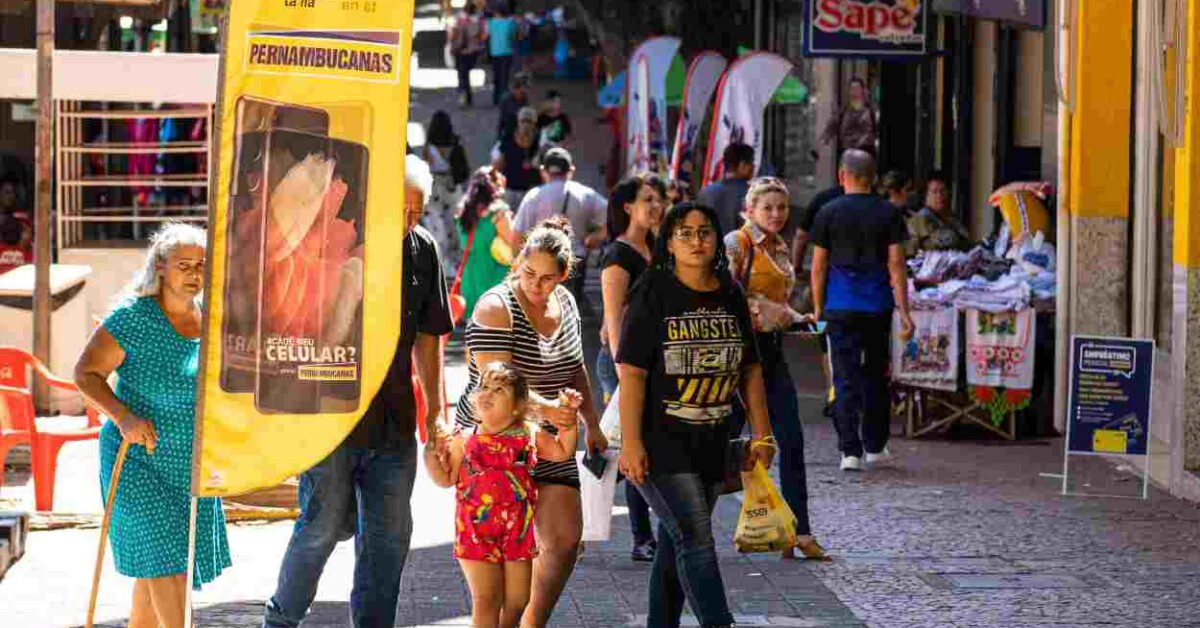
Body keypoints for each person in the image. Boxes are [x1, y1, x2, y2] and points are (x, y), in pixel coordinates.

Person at [262, 155, 453, 628]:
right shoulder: (338, 239)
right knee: (322, 527)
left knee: (390, 537)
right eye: (399, 209)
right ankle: (280, 621)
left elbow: (429, 338)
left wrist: (436, 414)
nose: (407, 221)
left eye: (417, 212)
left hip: (393, 421)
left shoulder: (422, 250)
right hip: (330, 418)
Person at [617, 201, 775, 628]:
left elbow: (750, 369)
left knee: (676, 544)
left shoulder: (730, 293)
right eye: (684, 233)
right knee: (696, 538)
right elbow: (631, 373)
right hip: (660, 441)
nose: (696, 241)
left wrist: (763, 432)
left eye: (704, 231)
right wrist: (631, 443)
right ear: (669, 242)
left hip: (713, 440)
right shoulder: (653, 292)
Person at [75, 223, 230, 628]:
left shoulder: (211, 317)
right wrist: (123, 417)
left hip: (186, 464)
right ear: (160, 266)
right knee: (166, 565)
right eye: (184, 265)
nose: (194, 274)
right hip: (136, 459)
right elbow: (85, 373)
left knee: (156, 570)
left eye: (201, 265)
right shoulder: (133, 318)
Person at [455, 218, 604, 627]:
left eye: (547, 278)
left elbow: (575, 367)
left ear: (564, 275)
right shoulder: (495, 307)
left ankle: (531, 622)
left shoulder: (567, 303)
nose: (536, 285)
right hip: (496, 438)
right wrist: (547, 410)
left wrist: (591, 422)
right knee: (501, 555)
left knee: (564, 539)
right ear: (517, 263)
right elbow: (496, 381)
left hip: (551, 434)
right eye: (529, 273)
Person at [426, 363, 580, 628]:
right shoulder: (464, 438)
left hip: (517, 531)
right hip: (476, 530)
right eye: (484, 387)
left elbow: (562, 451)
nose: (487, 393)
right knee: (487, 599)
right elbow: (445, 478)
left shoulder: (529, 433)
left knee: (518, 599)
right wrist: (430, 456)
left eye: (499, 390)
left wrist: (569, 421)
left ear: (518, 406)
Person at [725, 177, 826, 561]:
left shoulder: (780, 246)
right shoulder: (737, 243)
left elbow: (777, 302)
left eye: (782, 207)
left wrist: (796, 317)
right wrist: (761, 310)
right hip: (739, 357)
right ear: (750, 209)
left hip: (772, 351)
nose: (776, 214)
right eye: (767, 207)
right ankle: (683, 524)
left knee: (792, 440)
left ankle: (800, 532)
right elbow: (722, 293)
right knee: (720, 442)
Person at [809, 150, 914, 472]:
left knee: (844, 377)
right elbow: (897, 264)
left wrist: (817, 307)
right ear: (873, 178)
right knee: (877, 375)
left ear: (842, 175)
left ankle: (849, 451)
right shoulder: (889, 213)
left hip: (839, 307)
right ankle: (875, 446)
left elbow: (818, 267)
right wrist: (905, 311)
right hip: (878, 307)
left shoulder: (827, 212)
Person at [595, 174, 666, 563]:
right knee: (627, 447)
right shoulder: (618, 256)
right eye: (648, 200)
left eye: (658, 200)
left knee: (637, 446)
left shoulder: (657, 247)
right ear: (627, 207)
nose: (656, 206)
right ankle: (641, 537)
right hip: (623, 363)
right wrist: (626, 373)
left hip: (653, 362)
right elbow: (613, 322)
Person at [512, 147, 607, 306]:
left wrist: (518, 267)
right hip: (574, 262)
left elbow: (516, 236)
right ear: (570, 170)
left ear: (543, 171)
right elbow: (612, 216)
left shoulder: (534, 196)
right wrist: (595, 238)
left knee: (539, 309)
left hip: (539, 264)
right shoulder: (586, 194)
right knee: (569, 309)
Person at [457, 167, 519, 318]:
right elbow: (513, 242)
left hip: (470, 278)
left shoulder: (462, 210)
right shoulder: (498, 211)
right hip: (494, 276)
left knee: (474, 323)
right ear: (495, 185)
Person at [424, 111, 471, 275]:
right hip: (452, 187)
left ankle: (440, 263)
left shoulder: (429, 145)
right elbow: (464, 168)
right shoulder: (455, 144)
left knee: (437, 223)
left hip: (434, 187)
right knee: (453, 223)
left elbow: (426, 165)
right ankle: (456, 264)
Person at [696, 142, 755, 237]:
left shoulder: (705, 193)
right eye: (751, 162)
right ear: (743, 166)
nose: (753, 167)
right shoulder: (753, 194)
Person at [905, 172, 971, 256]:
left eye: (942, 191)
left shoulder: (951, 218)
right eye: (934, 192)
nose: (939, 195)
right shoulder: (920, 220)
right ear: (926, 195)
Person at [494, 106, 541, 210]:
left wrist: (535, 164)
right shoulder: (508, 138)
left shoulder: (540, 140)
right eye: (523, 121)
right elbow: (499, 162)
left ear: (534, 123)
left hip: (530, 189)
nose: (526, 124)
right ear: (518, 121)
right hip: (509, 187)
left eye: (529, 121)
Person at [820, 77, 878, 155]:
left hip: (866, 153)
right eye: (852, 89)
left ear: (862, 90)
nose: (854, 92)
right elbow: (829, 129)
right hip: (848, 154)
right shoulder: (842, 113)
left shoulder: (871, 112)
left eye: (857, 88)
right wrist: (822, 142)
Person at [449, 0, 488, 107]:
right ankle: (467, 96)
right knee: (465, 73)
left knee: (462, 74)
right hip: (473, 51)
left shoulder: (459, 19)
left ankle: (464, 95)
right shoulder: (480, 20)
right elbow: (484, 36)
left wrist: (452, 45)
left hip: (460, 50)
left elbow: (453, 33)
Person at [488, 6, 520, 106]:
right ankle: (503, 99)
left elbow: (488, 35)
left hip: (495, 53)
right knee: (504, 77)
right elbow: (513, 36)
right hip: (506, 52)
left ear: (497, 13)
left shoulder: (491, 22)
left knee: (496, 76)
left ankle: (495, 99)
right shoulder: (510, 23)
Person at [497, 72, 533, 143]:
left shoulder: (525, 100)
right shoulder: (507, 100)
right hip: (509, 131)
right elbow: (503, 119)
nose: (526, 91)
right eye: (522, 92)